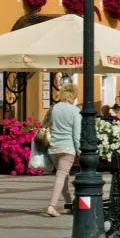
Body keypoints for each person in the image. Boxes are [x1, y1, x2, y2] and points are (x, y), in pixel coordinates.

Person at [45, 82, 81, 217]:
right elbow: (77, 134)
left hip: (53, 147)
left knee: (64, 176)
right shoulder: (75, 111)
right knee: (61, 176)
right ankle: (52, 206)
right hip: (68, 148)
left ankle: (69, 203)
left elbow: (46, 123)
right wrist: (80, 152)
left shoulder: (54, 108)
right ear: (73, 95)